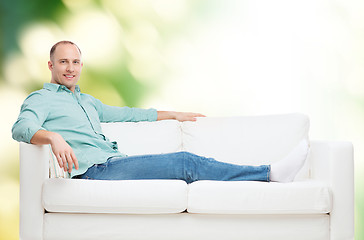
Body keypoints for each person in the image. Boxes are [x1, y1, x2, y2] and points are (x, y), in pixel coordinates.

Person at [12, 40, 308, 183]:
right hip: (93, 172)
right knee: (185, 163)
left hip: (113, 163)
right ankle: (269, 174)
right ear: (51, 66)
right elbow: (21, 128)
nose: (70, 68)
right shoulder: (41, 99)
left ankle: (265, 173)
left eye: (75, 62)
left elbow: (129, 114)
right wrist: (53, 137)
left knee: (186, 163)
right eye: (63, 62)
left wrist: (174, 114)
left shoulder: (87, 101)